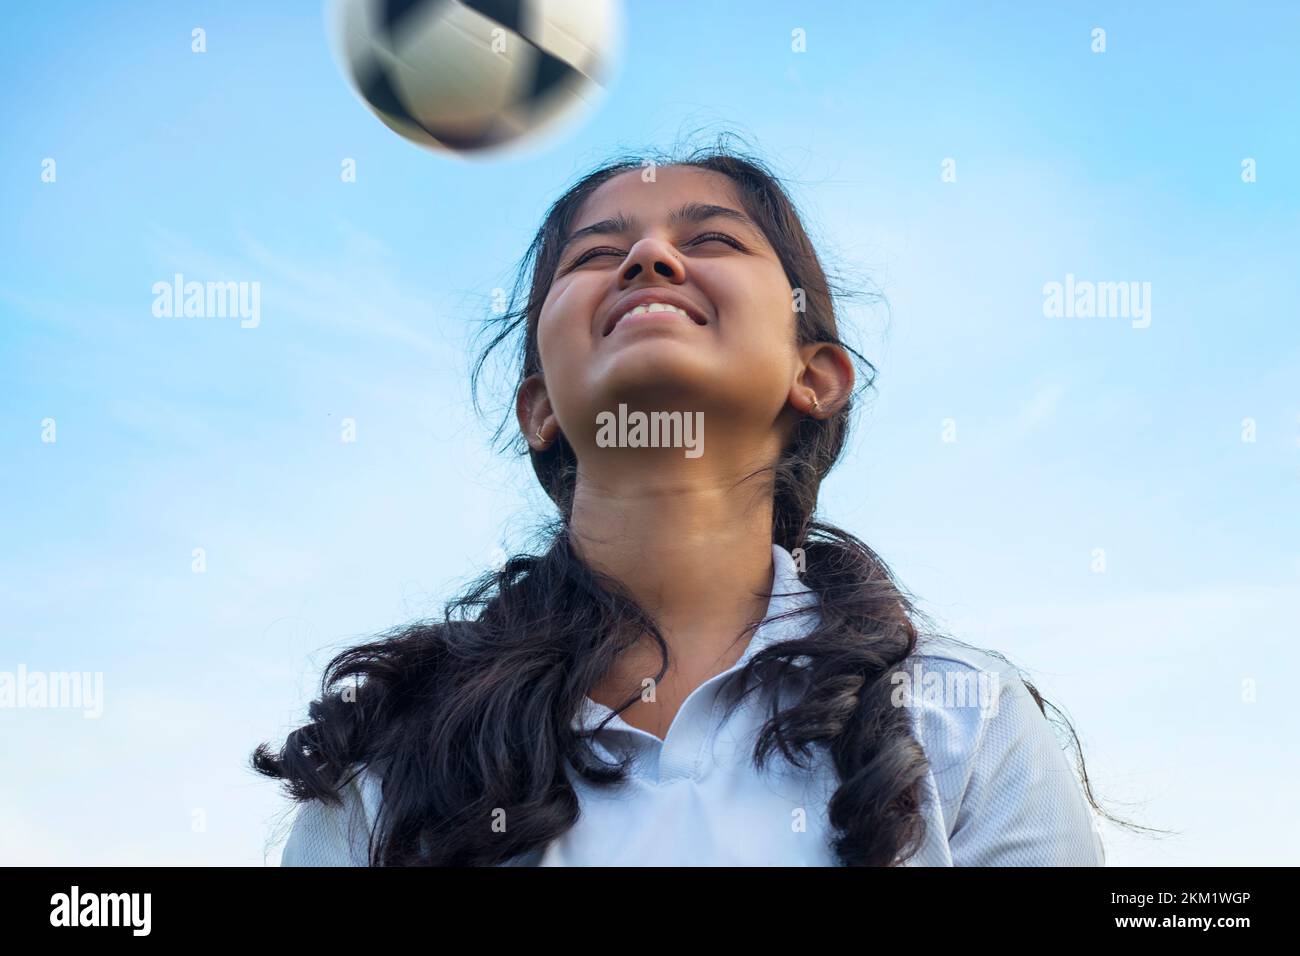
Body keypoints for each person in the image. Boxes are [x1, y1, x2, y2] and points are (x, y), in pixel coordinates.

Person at [254, 139, 1121, 866]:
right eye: (596, 255)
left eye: (711, 239)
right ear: (540, 408)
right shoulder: (389, 753)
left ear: (812, 375)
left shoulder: (966, 722)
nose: (649, 259)